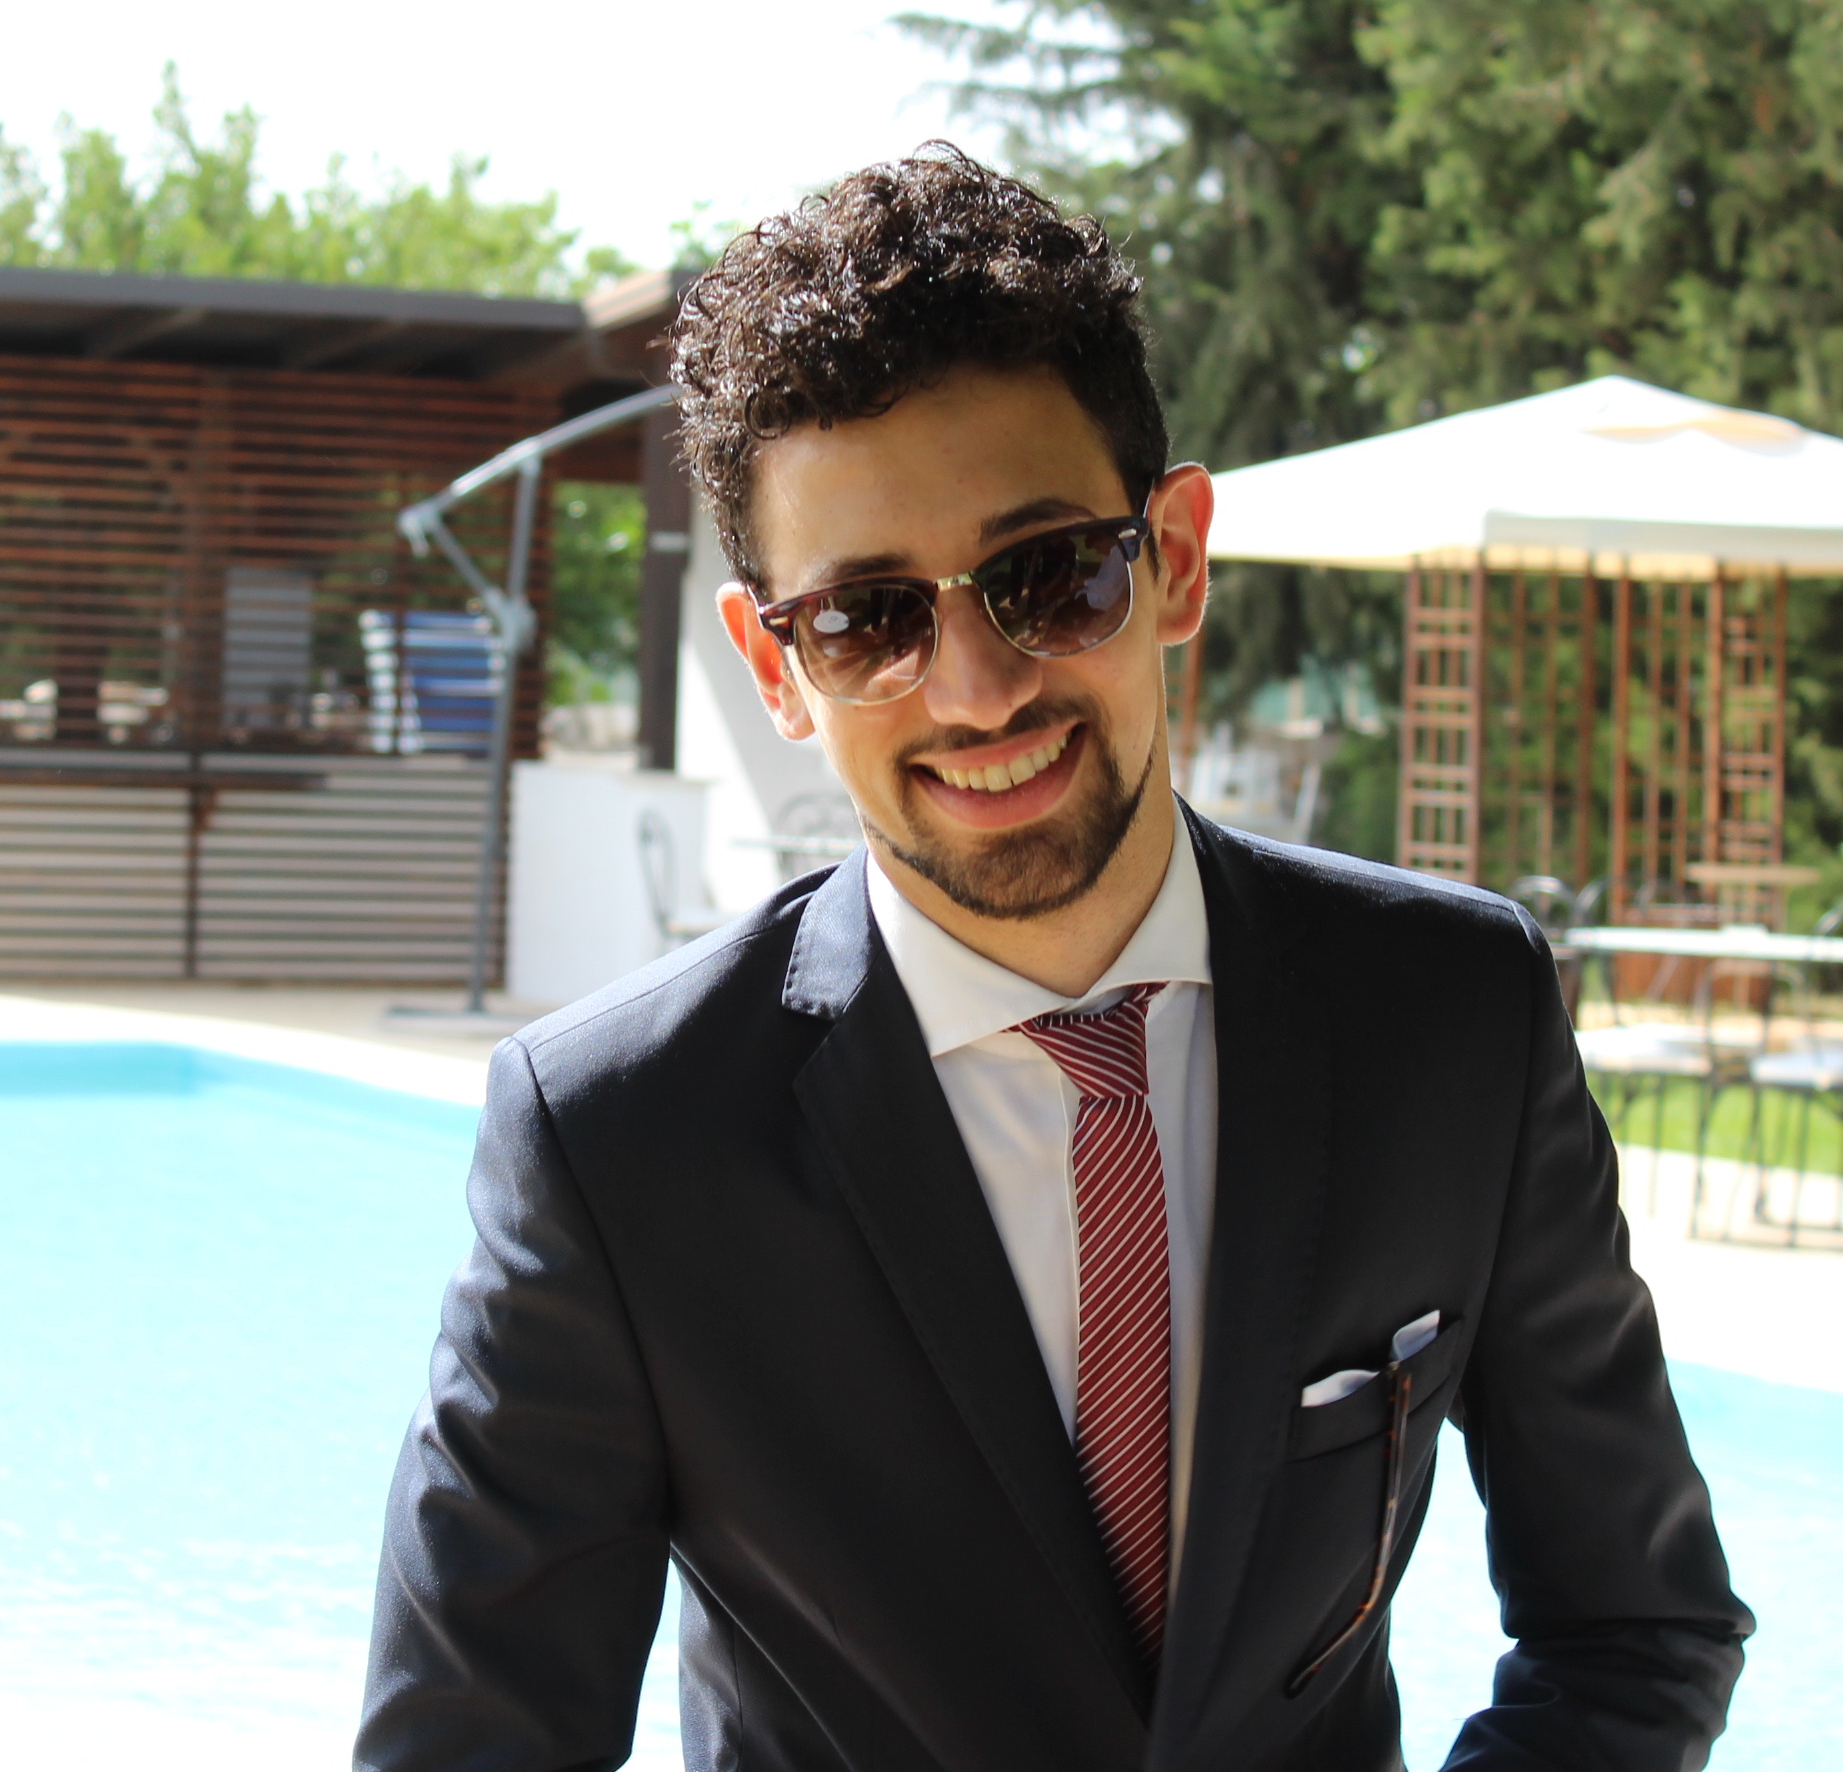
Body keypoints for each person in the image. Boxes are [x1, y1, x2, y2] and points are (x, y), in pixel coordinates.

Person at [356, 148, 1750, 1772]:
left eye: (1048, 575)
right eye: (868, 617)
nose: (977, 688)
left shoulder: (1457, 1021)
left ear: (1177, 557)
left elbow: (1636, 1627)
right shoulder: (619, 1142)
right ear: (776, 666)